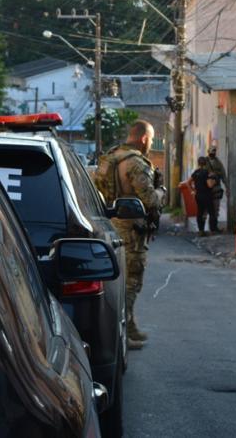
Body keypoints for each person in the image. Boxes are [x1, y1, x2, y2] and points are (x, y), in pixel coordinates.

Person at [95, 120, 166, 350]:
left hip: (109, 224)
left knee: (120, 281)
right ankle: (122, 334)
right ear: (144, 138)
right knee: (131, 281)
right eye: (151, 139)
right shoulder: (135, 163)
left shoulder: (110, 158)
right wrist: (161, 191)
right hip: (131, 230)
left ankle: (130, 325)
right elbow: (149, 199)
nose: (151, 144)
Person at [190, 157, 217, 236]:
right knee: (211, 212)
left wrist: (193, 190)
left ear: (198, 163)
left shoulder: (196, 172)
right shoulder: (206, 172)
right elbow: (209, 185)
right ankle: (212, 230)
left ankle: (201, 230)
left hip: (198, 195)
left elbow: (188, 182)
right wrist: (214, 181)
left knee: (200, 212)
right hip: (207, 196)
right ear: (205, 163)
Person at [206, 145, 227, 225]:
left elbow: (223, 175)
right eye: (211, 151)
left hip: (216, 189)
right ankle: (202, 230)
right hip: (206, 189)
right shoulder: (205, 162)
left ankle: (214, 227)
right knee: (205, 210)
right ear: (208, 152)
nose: (212, 153)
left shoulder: (218, 163)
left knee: (216, 209)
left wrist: (227, 187)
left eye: (214, 151)